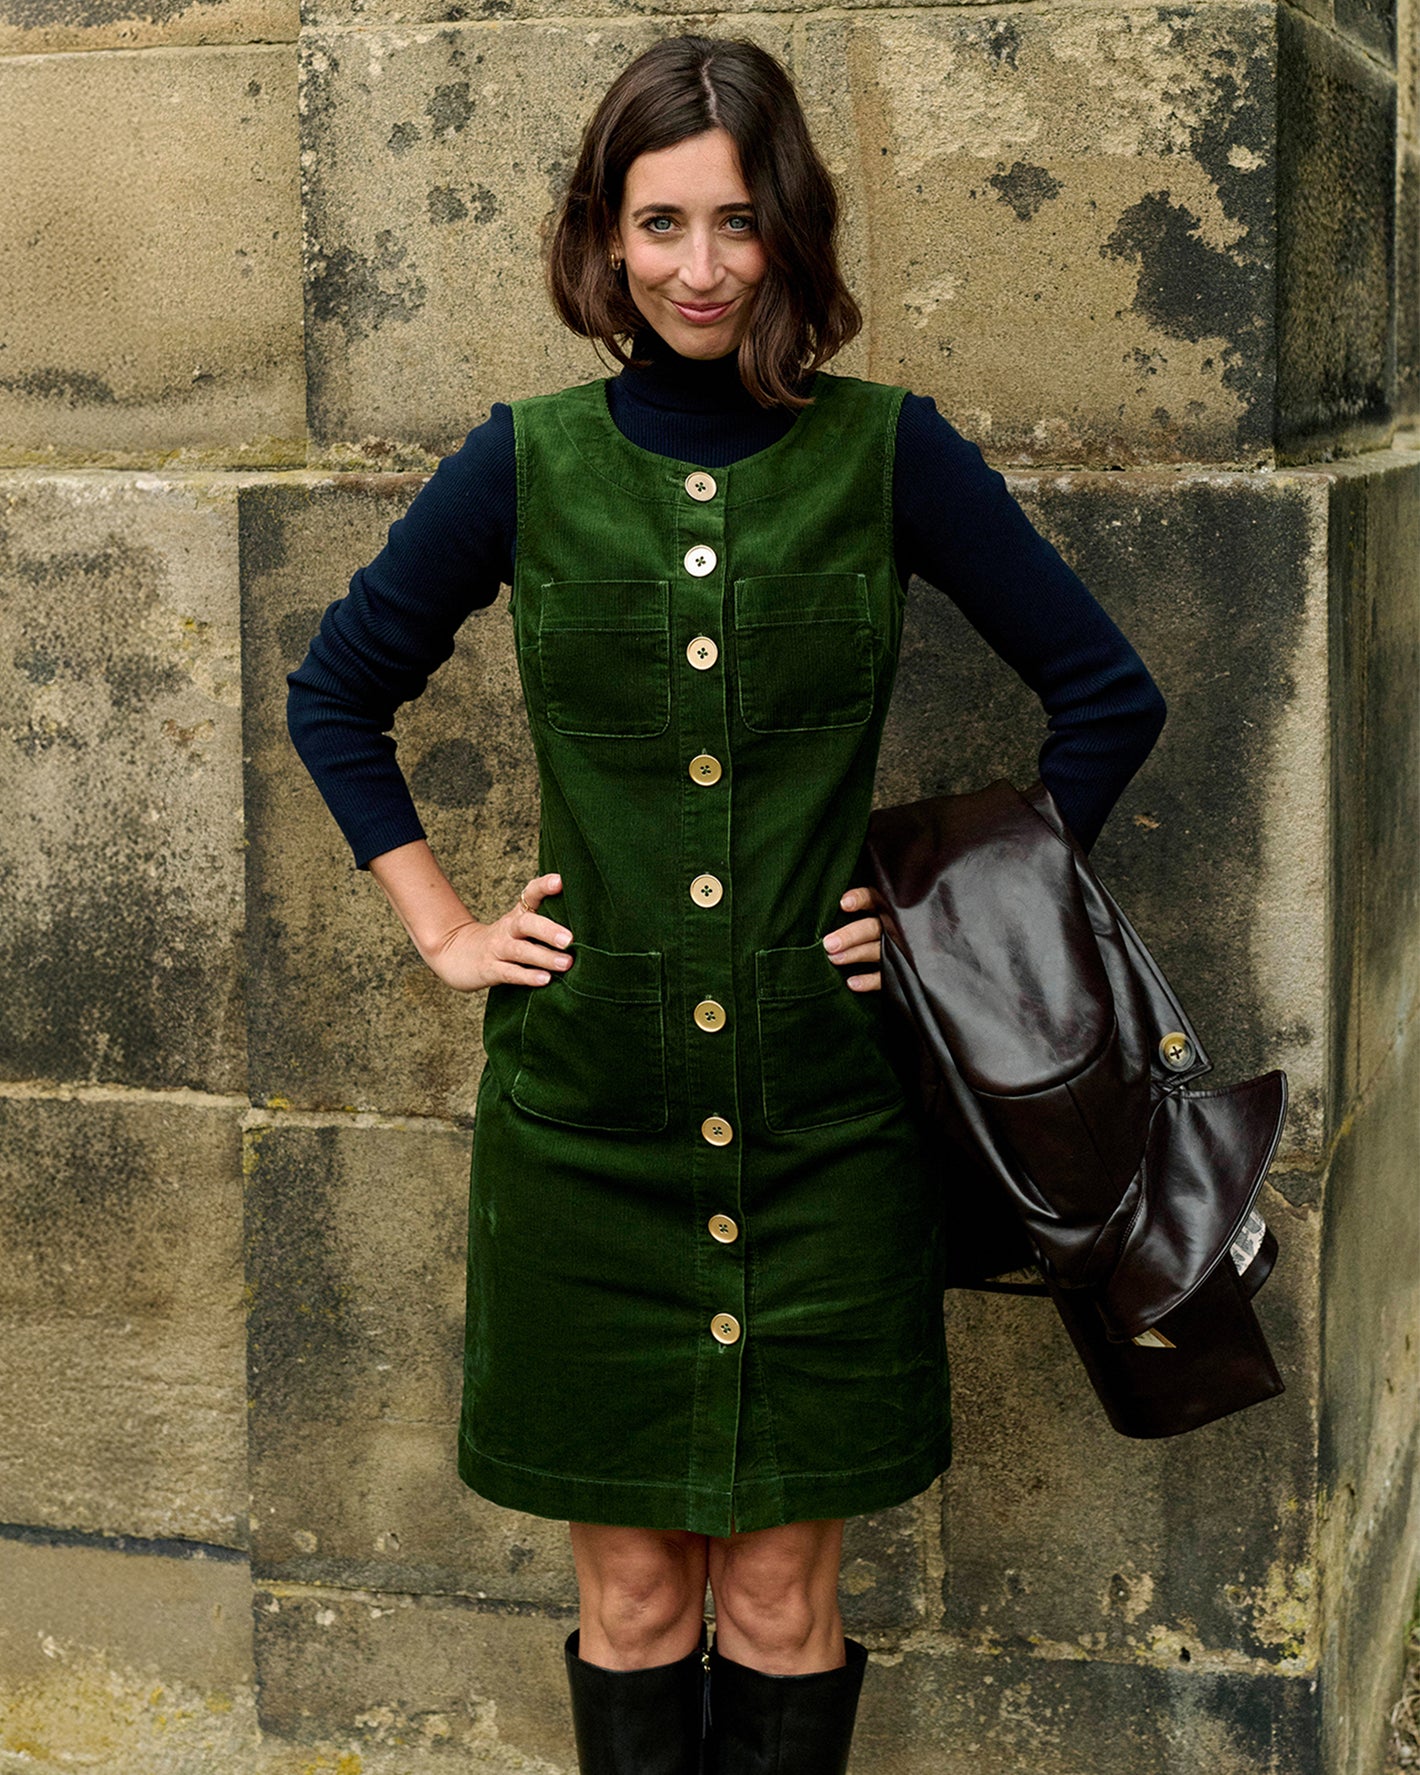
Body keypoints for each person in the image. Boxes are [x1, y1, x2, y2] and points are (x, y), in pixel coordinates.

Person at [286, 32, 1167, 1775]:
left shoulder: (889, 455)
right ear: (605, 236)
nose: (702, 268)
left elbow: (1107, 697)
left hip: (827, 1131)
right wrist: (446, 929)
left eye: (741, 222)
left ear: (793, 233)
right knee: (629, 1602)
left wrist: (947, 921)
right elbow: (338, 695)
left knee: (776, 1600)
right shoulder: (525, 462)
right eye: (662, 222)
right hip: (584, 1129)